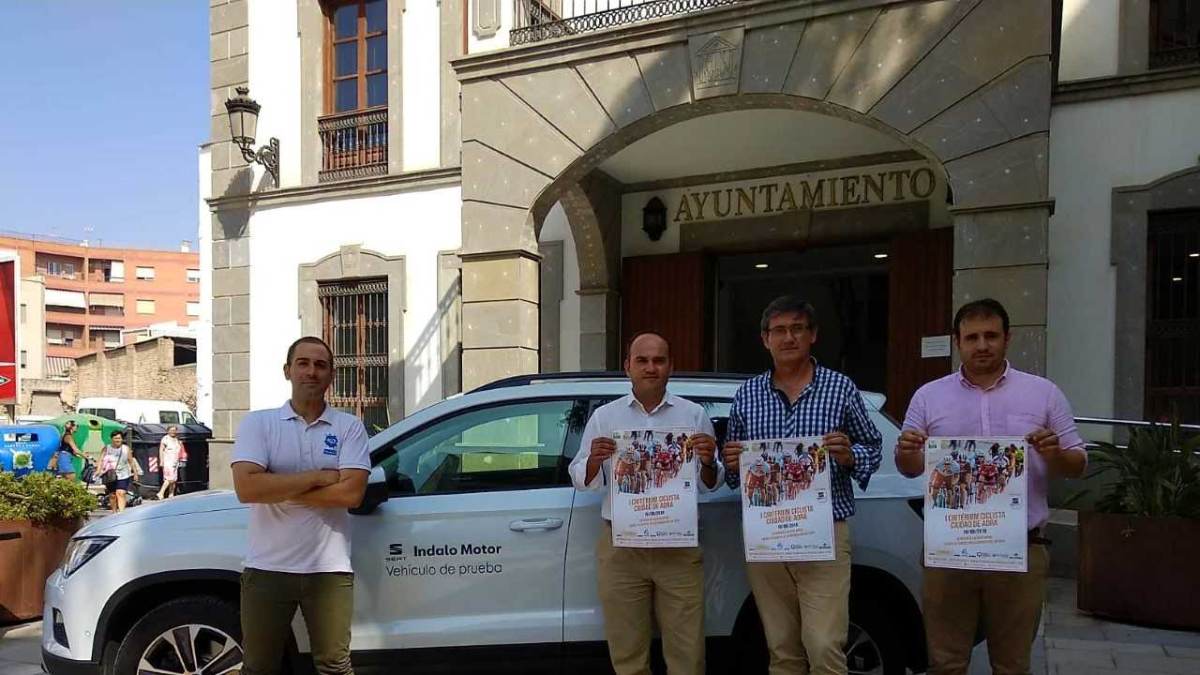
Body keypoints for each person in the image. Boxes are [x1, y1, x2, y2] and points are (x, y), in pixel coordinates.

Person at [894, 298, 1087, 675]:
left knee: (1012, 664)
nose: (982, 345)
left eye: (991, 336)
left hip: (1020, 547)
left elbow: (1077, 464)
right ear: (957, 342)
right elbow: (908, 468)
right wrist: (907, 452)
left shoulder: (1043, 393)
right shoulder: (928, 396)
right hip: (949, 549)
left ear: (1007, 338)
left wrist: (1056, 454)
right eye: (972, 337)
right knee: (945, 663)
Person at [720, 296, 882, 675]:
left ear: (813, 335)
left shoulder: (840, 388)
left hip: (823, 533)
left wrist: (850, 455)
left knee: (825, 645)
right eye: (779, 330)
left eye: (797, 328)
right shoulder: (747, 395)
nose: (788, 337)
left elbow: (872, 446)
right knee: (782, 649)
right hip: (767, 537)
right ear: (765, 339)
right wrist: (729, 463)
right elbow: (734, 474)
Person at [568, 331, 723, 675]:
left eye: (658, 360)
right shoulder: (605, 418)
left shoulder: (694, 415)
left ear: (671, 366)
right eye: (642, 360)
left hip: (678, 547)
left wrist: (710, 462)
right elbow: (581, 478)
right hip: (622, 546)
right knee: (627, 654)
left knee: (688, 653)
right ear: (627, 367)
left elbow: (709, 485)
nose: (650, 367)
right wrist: (594, 459)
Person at [231, 336, 371, 675]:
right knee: (259, 667)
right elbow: (247, 488)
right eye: (303, 363)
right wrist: (319, 477)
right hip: (268, 567)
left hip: (329, 570)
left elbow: (351, 495)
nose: (312, 372)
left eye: (320, 365)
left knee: (335, 665)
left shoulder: (349, 427)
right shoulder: (258, 424)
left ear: (331, 375)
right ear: (287, 371)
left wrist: (274, 486)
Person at [100, 430, 140, 513]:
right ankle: (114, 512)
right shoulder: (106, 448)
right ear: (112, 439)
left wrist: (135, 473)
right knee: (112, 495)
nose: (117, 440)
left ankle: (121, 513)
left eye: (119, 438)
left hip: (123, 474)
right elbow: (100, 460)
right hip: (110, 474)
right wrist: (98, 470)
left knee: (121, 493)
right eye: (115, 438)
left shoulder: (126, 449)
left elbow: (131, 461)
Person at [156, 425, 183, 500]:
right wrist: (161, 461)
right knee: (169, 478)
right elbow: (161, 450)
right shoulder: (165, 439)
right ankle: (161, 493)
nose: (173, 432)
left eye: (174, 430)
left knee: (174, 479)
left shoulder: (177, 439)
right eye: (171, 430)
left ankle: (171, 494)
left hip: (175, 461)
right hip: (168, 461)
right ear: (168, 431)